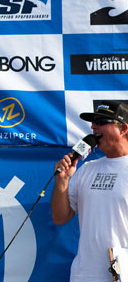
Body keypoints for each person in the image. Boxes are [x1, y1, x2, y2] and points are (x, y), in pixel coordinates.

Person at [51, 100, 128, 282]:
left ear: (124, 128)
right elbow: (60, 217)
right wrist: (62, 181)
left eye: (101, 122)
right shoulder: (86, 169)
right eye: (93, 122)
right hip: (84, 275)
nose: (93, 127)